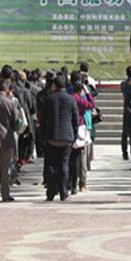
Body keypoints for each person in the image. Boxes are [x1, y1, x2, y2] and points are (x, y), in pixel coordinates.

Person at [39, 74, 78, 202]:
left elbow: (42, 120)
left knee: (51, 165)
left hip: (51, 136)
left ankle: (50, 192)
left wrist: (43, 136)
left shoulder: (49, 99)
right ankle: (63, 192)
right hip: (66, 137)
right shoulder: (71, 99)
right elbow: (75, 120)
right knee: (64, 165)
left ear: (54, 85)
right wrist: (74, 135)